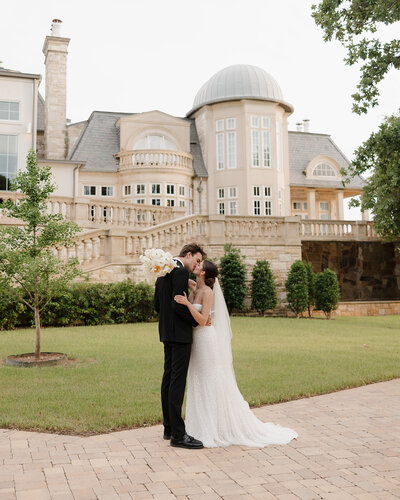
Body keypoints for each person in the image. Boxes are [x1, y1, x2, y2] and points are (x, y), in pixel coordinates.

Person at [174, 260, 298, 448]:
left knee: (210, 380)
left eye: (200, 266)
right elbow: (183, 282)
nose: (197, 265)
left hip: (206, 340)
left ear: (204, 274)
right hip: (195, 342)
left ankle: (215, 428)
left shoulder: (207, 293)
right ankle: (198, 426)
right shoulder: (194, 287)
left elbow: (202, 320)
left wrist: (188, 305)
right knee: (197, 380)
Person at [154, 243, 207, 449]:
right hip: (180, 334)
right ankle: (178, 434)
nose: (197, 264)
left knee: (168, 378)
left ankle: (168, 427)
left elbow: (157, 305)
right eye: (197, 260)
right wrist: (195, 320)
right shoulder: (179, 272)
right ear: (188, 254)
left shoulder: (163, 270)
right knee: (177, 382)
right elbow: (178, 304)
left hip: (166, 332)